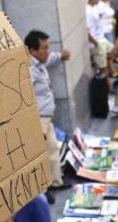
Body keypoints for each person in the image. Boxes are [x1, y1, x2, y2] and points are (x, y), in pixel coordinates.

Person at [24, 30, 72, 204]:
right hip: (38, 119)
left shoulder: (40, 62)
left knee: (52, 149)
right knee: (40, 156)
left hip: (47, 118)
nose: (47, 51)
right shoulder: (28, 70)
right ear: (32, 50)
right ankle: (42, 191)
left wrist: (62, 55)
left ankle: (55, 182)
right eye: (44, 48)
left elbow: (52, 58)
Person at [86, 0, 115, 77]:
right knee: (104, 69)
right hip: (95, 42)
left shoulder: (95, 7)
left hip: (101, 38)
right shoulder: (87, 11)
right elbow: (86, 32)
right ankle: (105, 86)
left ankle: (109, 68)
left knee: (114, 51)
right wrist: (95, 43)